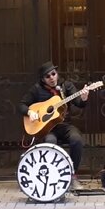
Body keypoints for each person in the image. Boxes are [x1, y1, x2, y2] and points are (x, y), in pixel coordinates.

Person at [18, 61, 90, 190]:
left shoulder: (66, 86)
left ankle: (72, 175)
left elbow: (78, 103)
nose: (52, 78)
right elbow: (21, 105)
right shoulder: (36, 89)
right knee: (50, 142)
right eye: (48, 76)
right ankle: (53, 176)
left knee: (77, 140)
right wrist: (30, 112)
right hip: (47, 129)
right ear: (42, 79)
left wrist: (84, 98)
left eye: (53, 74)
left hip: (65, 125)